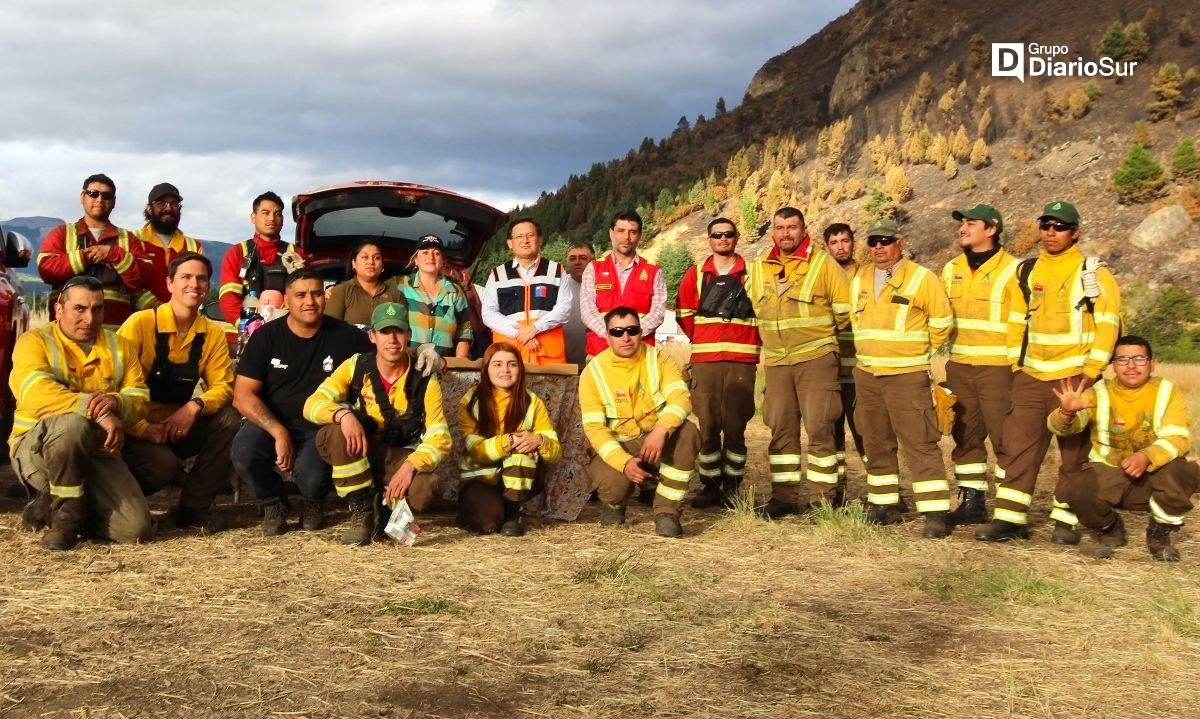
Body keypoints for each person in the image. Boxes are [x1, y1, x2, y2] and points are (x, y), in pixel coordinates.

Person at [976, 201, 1122, 544]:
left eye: (1059, 226)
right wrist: (1017, 364)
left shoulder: (1094, 273)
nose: (1051, 233)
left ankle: (1065, 522)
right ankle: (1009, 520)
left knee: (1074, 453)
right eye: (1046, 226)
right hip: (1031, 377)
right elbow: (1014, 321)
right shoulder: (1026, 272)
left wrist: (1091, 372)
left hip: (1075, 377)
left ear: (1075, 232)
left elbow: (1108, 324)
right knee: (1018, 449)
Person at [10, 275, 153, 550]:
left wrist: (116, 403)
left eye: (97, 309)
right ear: (59, 309)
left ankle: (46, 507)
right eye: (80, 309)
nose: (90, 318)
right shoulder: (33, 342)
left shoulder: (120, 346)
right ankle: (65, 524)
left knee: (135, 530)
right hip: (37, 450)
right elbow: (34, 393)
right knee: (71, 425)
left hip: (97, 452)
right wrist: (96, 412)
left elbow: (140, 401)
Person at [231, 268, 374, 535]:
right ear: (286, 301)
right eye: (301, 295)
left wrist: (422, 352)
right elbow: (242, 395)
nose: (310, 301)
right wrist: (278, 431)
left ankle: (313, 502)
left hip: (319, 426)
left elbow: (387, 353)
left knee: (311, 476)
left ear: (325, 297)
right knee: (244, 452)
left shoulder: (347, 337)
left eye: (317, 293)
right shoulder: (265, 337)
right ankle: (273, 503)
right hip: (273, 422)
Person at [303, 303, 451, 545]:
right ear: (372, 336)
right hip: (363, 451)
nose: (392, 339)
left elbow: (439, 436)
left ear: (409, 335)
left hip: (399, 456)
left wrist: (409, 467)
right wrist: (344, 416)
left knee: (426, 488)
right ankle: (361, 508)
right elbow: (312, 403)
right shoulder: (356, 366)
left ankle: (385, 505)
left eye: (399, 331)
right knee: (333, 432)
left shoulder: (425, 377)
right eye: (384, 331)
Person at [118, 252, 239, 531]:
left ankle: (193, 509)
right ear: (170, 283)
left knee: (228, 419)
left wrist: (194, 405)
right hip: (134, 430)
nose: (194, 284)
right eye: (185, 277)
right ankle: (112, 497)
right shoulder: (140, 324)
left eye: (201, 278)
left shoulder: (212, 334)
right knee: (164, 466)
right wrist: (141, 429)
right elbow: (113, 382)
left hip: (177, 428)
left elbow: (224, 386)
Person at [850, 218, 956, 538]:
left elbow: (942, 322)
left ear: (901, 241)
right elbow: (856, 321)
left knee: (919, 443)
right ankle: (884, 504)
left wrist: (920, 352)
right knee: (876, 440)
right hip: (868, 374)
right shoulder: (861, 278)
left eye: (885, 240)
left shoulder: (923, 278)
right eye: (873, 242)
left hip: (906, 375)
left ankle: (935, 511)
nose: (879, 247)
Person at [1052, 337, 1197, 561]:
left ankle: (1160, 533)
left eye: (1139, 358)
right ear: (1113, 365)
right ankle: (1109, 527)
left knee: (1184, 471)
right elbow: (1062, 427)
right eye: (1122, 359)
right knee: (1077, 489)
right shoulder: (1099, 392)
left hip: (1153, 476)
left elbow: (1178, 437)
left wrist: (1147, 456)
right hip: (1111, 475)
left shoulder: (1167, 391)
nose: (1131, 365)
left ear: (1152, 363)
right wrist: (1066, 413)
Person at [746, 208, 850, 518]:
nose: (786, 233)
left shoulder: (823, 263)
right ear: (773, 232)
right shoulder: (759, 267)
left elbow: (844, 312)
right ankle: (784, 497)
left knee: (820, 427)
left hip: (816, 358)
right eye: (780, 227)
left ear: (804, 230)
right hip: (777, 362)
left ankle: (823, 500)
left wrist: (815, 338)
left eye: (792, 227)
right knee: (780, 429)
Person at [579, 306, 700, 537]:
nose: (625, 337)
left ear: (641, 332)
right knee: (611, 486)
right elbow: (595, 429)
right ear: (607, 336)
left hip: (657, 441)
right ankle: (615, 504)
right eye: (617, 332)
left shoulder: (660, 359)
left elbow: (680, 399)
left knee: (689, 433)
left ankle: (667, 511)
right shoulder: (592, 373)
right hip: (620, 445)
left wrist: (662, 429)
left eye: (632, 330)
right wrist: (624, 462)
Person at [940, 204, 1021, 524]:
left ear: (991, 229)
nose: (962, 228)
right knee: (965, 436)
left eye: (970, 223)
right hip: (959, 365)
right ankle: (972, 502)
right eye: (962, 223)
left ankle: (1010, 507)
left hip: (999, 367)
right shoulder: (951, 268)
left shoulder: (1015, 270)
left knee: (1006, 439)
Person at [675, 217, 758, 508]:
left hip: (741, 362)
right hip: (706, 362)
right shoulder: (697, 273)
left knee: (735, 426)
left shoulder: (753, 273)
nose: (722, 239)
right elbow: (684, 313)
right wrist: (702, 340)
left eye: (728, 234)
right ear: (709, 239)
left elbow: (762, 313)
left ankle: (733, 486)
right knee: (708, 425)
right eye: (716, 235)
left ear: (736, 238)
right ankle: (709, 486)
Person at [457, 342, 562, 536]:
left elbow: (555, 453)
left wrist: (538, 440)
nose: (505, 370)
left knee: (522, 453)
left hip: (520, 477)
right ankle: (483, 508)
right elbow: (476, 451)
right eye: (497, 364)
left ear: (520, 369)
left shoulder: (533, 401)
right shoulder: (471, 400)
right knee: (488, 523)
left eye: (512, 364)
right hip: (481, 478)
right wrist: (509, 441)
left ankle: (514, 514)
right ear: (486, 368)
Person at [38, 174, 148, 331]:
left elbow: (142, 278)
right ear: (82, 197)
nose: (99, 199)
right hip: (65, 336)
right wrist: (85, 256)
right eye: (93, 193)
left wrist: (114, 254)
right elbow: (47, 270)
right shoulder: (61, 233)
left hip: (115, 334)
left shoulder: (129, 239)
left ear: (114, 202)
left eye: (106, 195)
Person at [481, 218, 573, 365]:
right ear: (510, 243)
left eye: (530, 235)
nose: (525, 240)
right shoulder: (497, 275)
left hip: (547, 357)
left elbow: (565, 309)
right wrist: (521, 334)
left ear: (540, 239)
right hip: (509, 358)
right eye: (518, 236)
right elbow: (488, 314)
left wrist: (535, 328)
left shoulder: (556, 270)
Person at [579, 210, 667, 358]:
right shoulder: (594, 268)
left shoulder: (653, 271)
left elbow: (658, 313)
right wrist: (611, 335)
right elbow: (587, 311)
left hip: (640, 355)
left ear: (639, 236)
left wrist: (631, 336)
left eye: (632, 232)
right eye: (621, 231)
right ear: (611, 233)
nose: (626, 237)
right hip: (600, 352)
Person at [822, 222, 867, 499]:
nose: (840, 246)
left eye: (845, 240)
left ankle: (885, 490)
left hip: (861, 369)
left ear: (854, 243)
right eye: (834, 242)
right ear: (826, 246)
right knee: (831, 433)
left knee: (867, 432)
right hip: (828, 369)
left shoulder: (867, 276)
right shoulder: (823, 276)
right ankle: (836, 489)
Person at [218, 191, 304, 326]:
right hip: (245, 334)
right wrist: (249, 326)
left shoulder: (297, 255)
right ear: (253, 217)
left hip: (287, 331)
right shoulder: (237, 252)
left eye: (278, 214)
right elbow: (228, 298)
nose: (272, 218)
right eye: (265, 213)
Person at [391, 235, 472, 358]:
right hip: (407, 364)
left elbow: (464, 331)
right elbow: (389, 325)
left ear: (443, 261)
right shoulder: (401, 286)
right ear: (415, 260)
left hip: (444, 367)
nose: (431, 257)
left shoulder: (455, 291)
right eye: (425, 252)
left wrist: (457, 365)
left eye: (437, 253)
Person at [135, 182, 204, 306]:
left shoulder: (193, 246)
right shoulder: (134, 240)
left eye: (174, 204)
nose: (168, 208)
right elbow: (130, 283)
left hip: (181, 321)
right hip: (140, 320)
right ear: (149, 209)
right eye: (161, 203)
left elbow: (199, 286)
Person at [324, 239, 406, 327]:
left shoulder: (396, 295)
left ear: (382, 264)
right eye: (364, 257)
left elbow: (402, 333)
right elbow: (330, 333)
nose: (371, 262)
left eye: (377, 258)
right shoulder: (340, 292)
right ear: (353, 263)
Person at [562, 241, 595, 367]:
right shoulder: (559, 286)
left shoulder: (604, 286)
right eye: (572, 258)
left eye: (583, 258)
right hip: (564, 365)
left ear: (593, 261)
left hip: (597, 364)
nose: (577, 262)